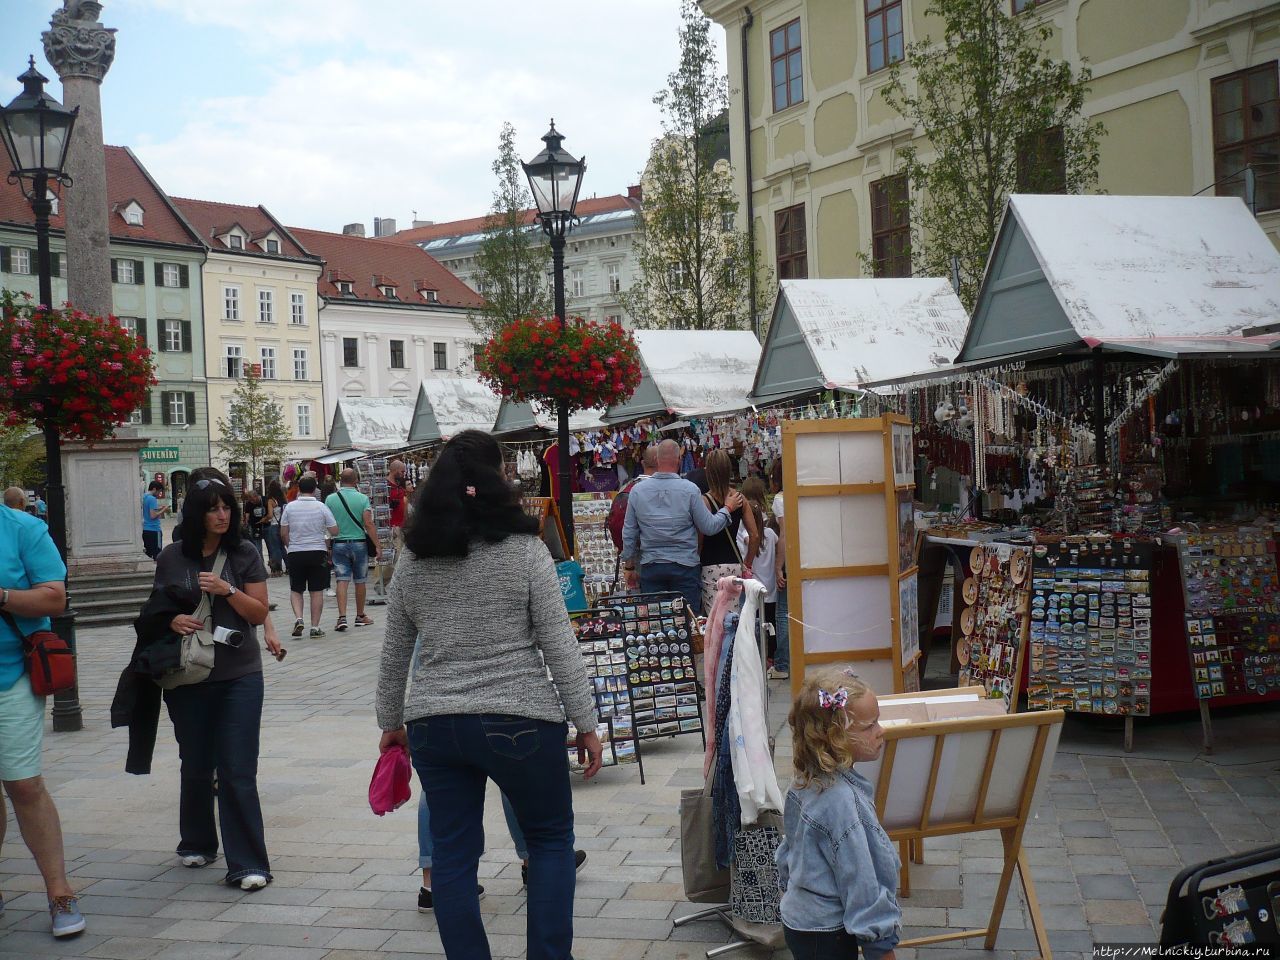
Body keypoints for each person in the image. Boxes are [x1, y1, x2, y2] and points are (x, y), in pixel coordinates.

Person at [376, 429, 602, 960]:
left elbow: (393, 654)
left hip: (435, 720)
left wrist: (391, 721)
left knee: (453, 857)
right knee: (549, 842)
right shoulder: (524, 551)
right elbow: (558, 645)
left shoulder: (414, 558)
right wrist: (586, 723)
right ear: (499, 480)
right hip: (519, 717)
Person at [151, 475, 280, 891]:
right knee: (195, 762)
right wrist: (171, 619)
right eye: (212, 508)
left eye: (227, 506)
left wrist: (227, 590)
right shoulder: (172, 557)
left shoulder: (243, 553)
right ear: (196, 513)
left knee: (238, 768)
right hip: (188, 674)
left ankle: (247, 863)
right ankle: (198, 841)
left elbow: (259, 613)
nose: (222, 515)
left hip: (239, 673)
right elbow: (155, 610)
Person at [0, 502, 85, 938]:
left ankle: (59, 892)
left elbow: (55, 596)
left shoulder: (21, 528)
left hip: (11, 671)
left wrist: (2, 595)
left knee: (23, 784)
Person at [776, 670, 900, 959]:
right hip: (826, 933)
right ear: (836, 737)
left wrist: (791, 890)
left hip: (801, 920)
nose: (880, 731)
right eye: (870, 726)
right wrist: (879, 944)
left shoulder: (806, 780)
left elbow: (789, 850)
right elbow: (861, 879)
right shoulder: (844, 804)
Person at [620, 439, 744, 615]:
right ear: (679, 460)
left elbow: (629, 532)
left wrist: (629, 565)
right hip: (685, 568)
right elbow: (709, 526)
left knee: (657, 623)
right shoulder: (690, 490)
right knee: (686, 623)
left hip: (652, 566)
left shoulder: (638, 491)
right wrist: (728, 509)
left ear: (656, 460)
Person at [698, 449, 759, 613]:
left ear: (708, 472)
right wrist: (747, 563)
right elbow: (754, 535)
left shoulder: (705, 501)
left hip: (710, 564)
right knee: (734, 617)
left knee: (715, 619)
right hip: (734, 563)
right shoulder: (740, 499)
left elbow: (700, 538)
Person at [280, 475, 338, 638]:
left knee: (296, 589)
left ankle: (299, 618)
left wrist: (290, 545)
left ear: (299, 488)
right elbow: (334, 530)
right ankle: (315, 627)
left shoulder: (290, 507)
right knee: (316, 590)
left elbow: (283, 532)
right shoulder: (321, 507)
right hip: (317, 551)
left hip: (295, 552)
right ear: (314, 489)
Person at [325, 468, 381, 632]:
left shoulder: (330, 499)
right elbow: (368, 524)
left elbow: (328, 523)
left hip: (339, 543)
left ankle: (342, 618)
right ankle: (360, 615)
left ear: (340, 481)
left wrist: (328, 544)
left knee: (342, 580)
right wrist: (377, 545)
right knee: (360, 581)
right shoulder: (363, 498)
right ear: (356, 481)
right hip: (359, 543)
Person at [738, 477, 780, 658]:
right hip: (770, 586)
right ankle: (770, 655)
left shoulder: (743, 531)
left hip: (752, 585)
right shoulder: (771, 533)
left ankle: (755, 655)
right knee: (770, 622)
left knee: (752, 621)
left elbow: (746, 543)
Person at [768, 460, 790, 680]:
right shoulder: (801, 494)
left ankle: (783, 664)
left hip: (791, 559)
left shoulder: (781, 499)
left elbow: (784, 534)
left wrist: (778, 566)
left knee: (783, 612)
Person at [386, 459, 413, 569]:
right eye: (402, 472)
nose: (403, 474)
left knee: (399, 562)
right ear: (396, 471)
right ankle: (380, 584)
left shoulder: (399, 487)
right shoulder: (385, 487)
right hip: (391, 528)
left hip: (400, 527)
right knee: (391, 563)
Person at [262, 480, 286, 576]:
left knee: (275, 548)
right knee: (282, 548)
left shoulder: (271, 500)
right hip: (282, 525)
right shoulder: (283, 499)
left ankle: (277, 569)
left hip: (274, 526)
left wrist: (264, 519)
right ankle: (288, 566)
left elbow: (270, 515)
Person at [142, 481, 169, 561]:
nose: (159, 493)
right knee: (158, 555)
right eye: (159, 491)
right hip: (154, 529)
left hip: (146, 529)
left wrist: (159, 508)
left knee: (149, 553)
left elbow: (149, 510)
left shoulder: (144, 497)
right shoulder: (152, 499)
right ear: (154, 489)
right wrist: (164, 509)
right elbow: (153, 516)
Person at [242, 490, 266, 561]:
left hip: (266, 525)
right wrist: (246, 523)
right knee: (257, 546)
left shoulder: (264, 499)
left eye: (252, 500)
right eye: (250, 500)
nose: (252, 502)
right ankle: (260, 563)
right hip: (254, 526)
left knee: (270, 546)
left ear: (256, 496)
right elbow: (247, 515)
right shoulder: (249, 503)